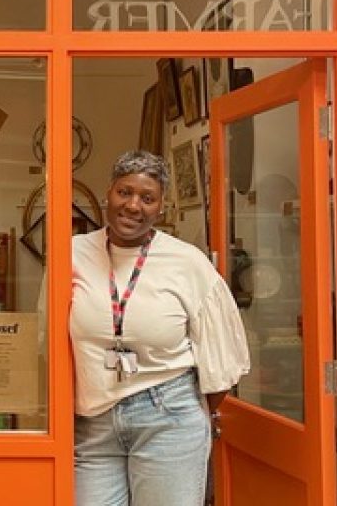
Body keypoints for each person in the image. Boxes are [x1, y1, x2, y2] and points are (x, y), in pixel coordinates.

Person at [72, 150, 249, 506]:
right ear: (109, 193)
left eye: (147, 198)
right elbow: (48, 337)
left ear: (161, 208)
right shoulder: (72, 253)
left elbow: (223, 358)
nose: (133, 206)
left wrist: (181, 407)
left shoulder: (187, 262)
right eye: (125, 192)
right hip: (93, 422)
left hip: (167, 419)